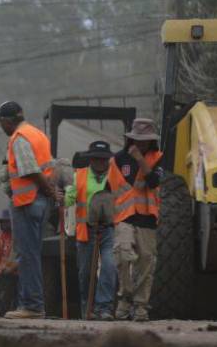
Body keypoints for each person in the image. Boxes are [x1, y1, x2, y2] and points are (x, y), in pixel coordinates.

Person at [0, 100, 60, 319]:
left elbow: (30, 170)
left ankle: (31, 306)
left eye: (1, 123)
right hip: (39, 201)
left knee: (28, 255)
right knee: (32, 254)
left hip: (27, 202)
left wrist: (51, 191)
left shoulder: (19, 138)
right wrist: (50, 192)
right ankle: (34, 304)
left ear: (7, 121)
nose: (1, 127)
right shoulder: (37, 134)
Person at [112, 118, 164, 322]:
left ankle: (140, 306)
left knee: (146, 262)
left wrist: (141, 159)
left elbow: (154, 182)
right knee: (123, 255)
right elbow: (111, 188)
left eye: (145, 140)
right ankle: (125, 297)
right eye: (137, 139)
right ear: (131, 139)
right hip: (124, 217)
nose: (141, 143)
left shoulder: (158, 158)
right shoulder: (118, 159)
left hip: (147, 218)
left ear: (151, 141)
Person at [65, 140, 121, 320]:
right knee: (85, 274)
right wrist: (64, 196)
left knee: (109, 266)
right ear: (90, 159)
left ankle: (103, 308)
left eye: (103, 159)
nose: (99, 162)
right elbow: (69, 199)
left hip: (109, 231)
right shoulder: (79, 175)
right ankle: (87, 309)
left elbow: (124, 197)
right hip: (85, 232)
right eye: (96, 158)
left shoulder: (115, 175)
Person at [0, 209, 18, 317]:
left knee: (6, 297)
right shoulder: (0, 236)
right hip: (0, 272)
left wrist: (9, 269)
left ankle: (4, 314)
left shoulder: (16, 237)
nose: (3, 225)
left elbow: (18, 257)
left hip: (12, 274)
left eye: (5, 222)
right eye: (2, 222)